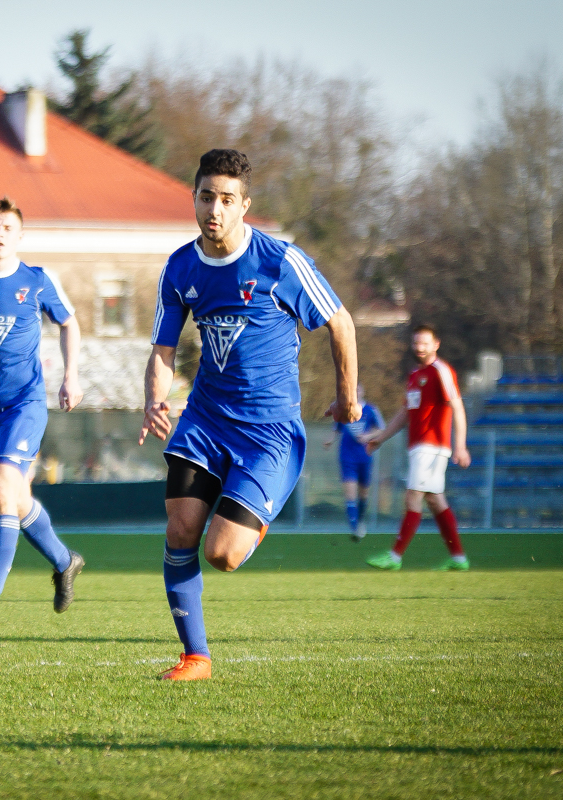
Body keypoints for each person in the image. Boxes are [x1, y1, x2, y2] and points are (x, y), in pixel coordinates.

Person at [139, 149, 360, 681]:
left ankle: (253, 521)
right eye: (206, 197)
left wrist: (348, 398)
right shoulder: (179, 267)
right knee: (180, 528)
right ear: (194, 199)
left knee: (223, 554)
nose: (214, 209)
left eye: (226, 199)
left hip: (268, 432)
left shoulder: (280, 261)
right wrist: (154, 399)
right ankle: (196, 657)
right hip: (205, 421)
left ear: (244, 206)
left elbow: (341, 323)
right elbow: (163, 349)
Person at [0, 196, 85, 625]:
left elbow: (69, 323)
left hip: (25, 403)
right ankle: (65, 561)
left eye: (7, 227)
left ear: (20, 235)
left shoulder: (37, 280)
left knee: (2, 486)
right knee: (17, 500)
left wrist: (71, 376)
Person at [364, 325, 471, 571]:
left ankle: (394, 556)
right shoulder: (415, 375)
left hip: (432, 446)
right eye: (416, 343)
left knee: (413, 496)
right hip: (419, 446)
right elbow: (405, 413)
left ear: (436, 344)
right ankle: (458, 558)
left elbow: (457, 407)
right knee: (435, 500)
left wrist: (460, 445)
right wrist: (381, 438)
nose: (419, 348)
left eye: (424, 343)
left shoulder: (441, 371)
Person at [322, 384, 383, 541]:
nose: (356, 393)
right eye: (353, 391)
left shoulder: (371, 410)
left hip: (365, 456)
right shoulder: (344, 409)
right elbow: (336, 429)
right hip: (347, 457)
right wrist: (330, 440)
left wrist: (367, 436)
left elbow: (380, 429)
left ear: (363, 392)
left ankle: (360, 521)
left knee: (364, 494)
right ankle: (355, 528)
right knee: (350, 494)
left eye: (358, 390)